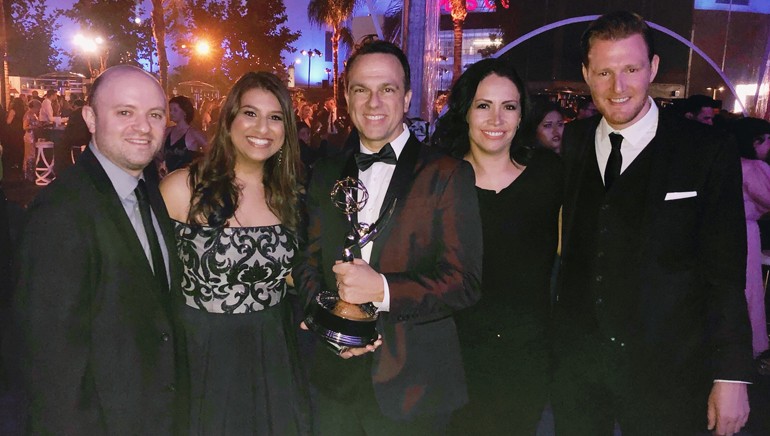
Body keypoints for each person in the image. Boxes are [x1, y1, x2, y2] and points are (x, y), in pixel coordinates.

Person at [552, 11, 753, 436]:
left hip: (671, 369)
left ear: (654, 68)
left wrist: (731, 373)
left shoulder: (706, 149)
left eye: (631, 69)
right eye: (604, 71)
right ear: (586, 74)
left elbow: (726, 270)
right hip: (580, 369)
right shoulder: (573, 141)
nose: (617, 87)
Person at [294, 40, 482, 434]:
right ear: (346, 97)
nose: (373, 101)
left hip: (415, 387)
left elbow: (463, 282)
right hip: (336, 382)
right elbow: (307, 260)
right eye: (361, 89)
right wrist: (330, 323)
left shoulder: (447, 173)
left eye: (388, 89)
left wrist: (380, 289)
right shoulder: (326, 171)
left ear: (408, 97)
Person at [13, 65, 188, 434]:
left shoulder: (148, 191)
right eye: (124, 112)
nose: (143, 127)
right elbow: (52, 367)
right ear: (91, 118)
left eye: (155, 115)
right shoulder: (61, 213)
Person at [160, 72, 311, 435]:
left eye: (275, 117)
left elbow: (294, 274)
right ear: (228, 120)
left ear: (287, 129)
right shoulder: (183, 189)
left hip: (274, 352)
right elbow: (149, 287)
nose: (263, 127)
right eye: (250, 113)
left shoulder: (292, 196)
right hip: (203, 355)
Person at [434, 58, 563, 435]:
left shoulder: (549, 175)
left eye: (508, 106)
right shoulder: (439, 179)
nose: (496, 119)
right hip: (454, 355)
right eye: (483, 105)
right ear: (466, 112)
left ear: (522, 115)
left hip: (527, 356)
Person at [163, 95, 208, 173]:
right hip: (168, 177)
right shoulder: (168, 131)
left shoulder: (194, 133)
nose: (171, 113)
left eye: (175, 110)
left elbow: (210, 152)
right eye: (170, 110)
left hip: (186, 178)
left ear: (184, 112)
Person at [4, 98, 25, 177]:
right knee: (20, 147)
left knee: (13, 146)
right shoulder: (24, 110)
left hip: (13, 131)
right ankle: (19, 163)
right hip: (21, 130)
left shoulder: (13, 110)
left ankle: (13, 163)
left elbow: (9, 121)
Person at [21, 99, 41, 181]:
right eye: (38, 108)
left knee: (31, 155)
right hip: (29, 137)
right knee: (30, 156)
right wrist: (35, 127)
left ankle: (30, 174)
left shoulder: (32, 114)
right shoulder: (28, 114)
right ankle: (28, 175)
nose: (39, 110)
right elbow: (25, 127)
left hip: (32, 136)